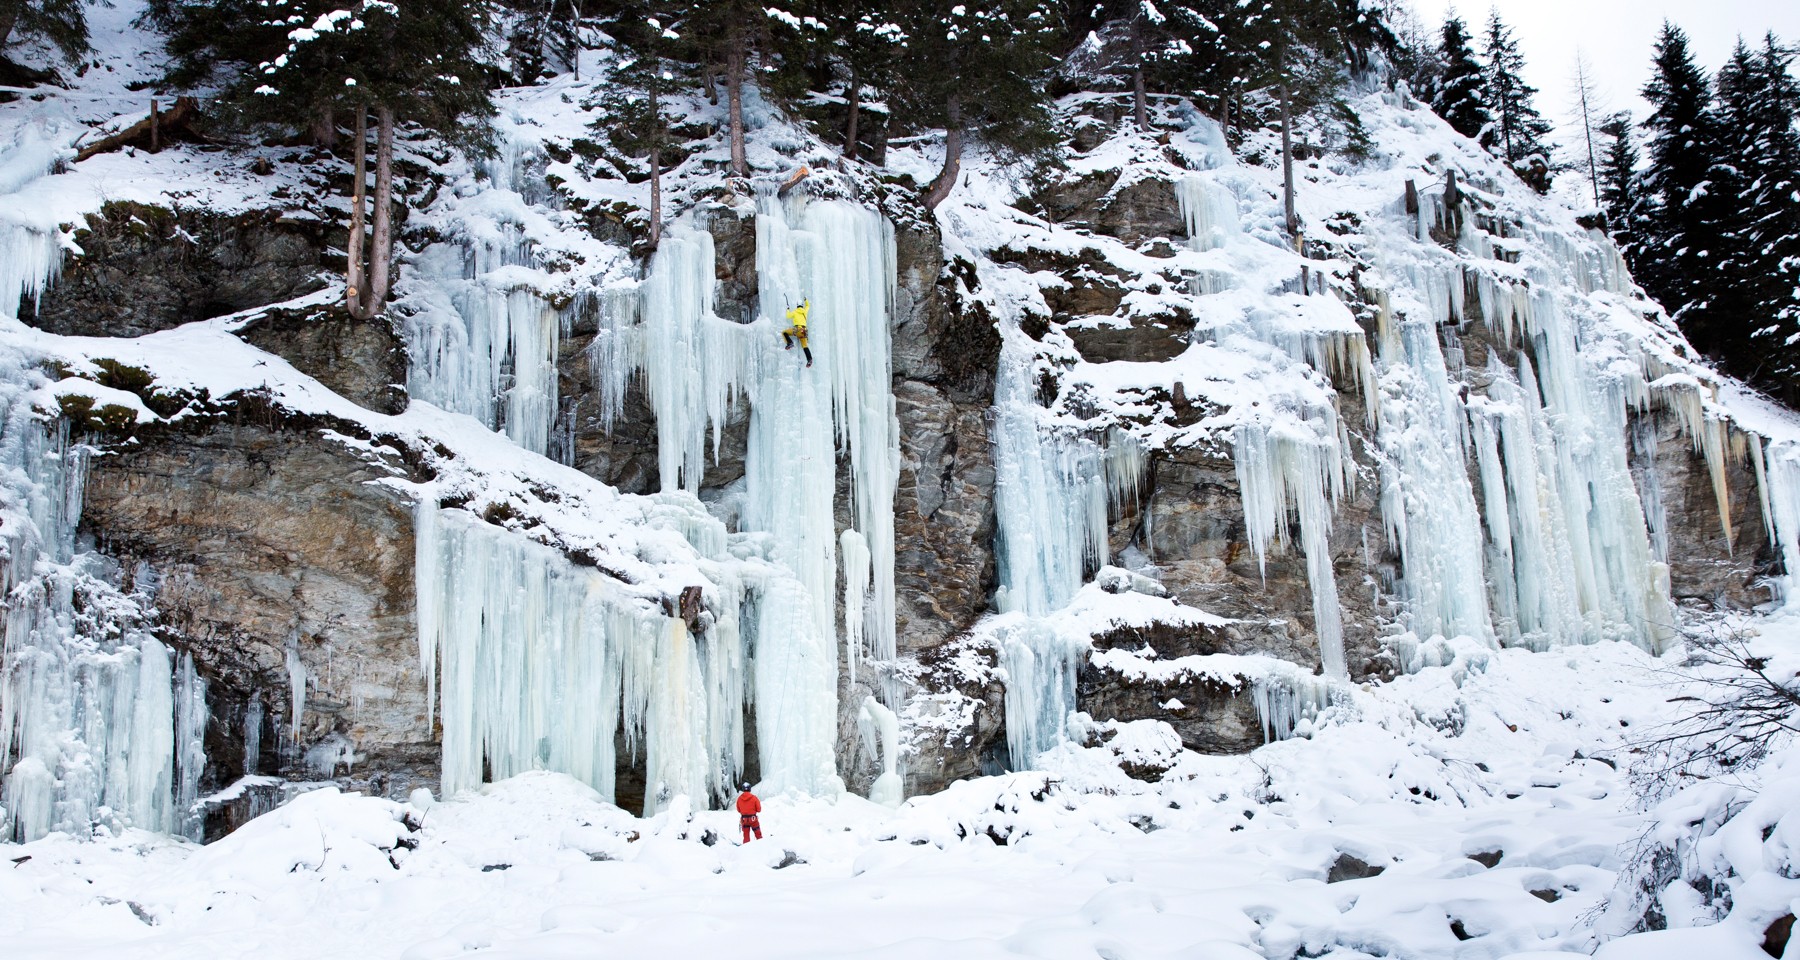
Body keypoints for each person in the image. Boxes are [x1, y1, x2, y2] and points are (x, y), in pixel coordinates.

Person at [781, 300, 813, 368]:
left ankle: (790, 343)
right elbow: (808, 306)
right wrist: (806, 300)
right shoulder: (805, 311)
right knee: (805, 346)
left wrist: (788, 309)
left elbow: (788, 316)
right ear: (802, 305)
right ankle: (809, 359)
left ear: (797, 305)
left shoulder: (795, 312)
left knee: (784, 332)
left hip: (797, 329)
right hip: (804, 331)